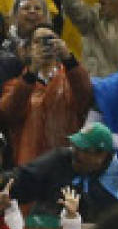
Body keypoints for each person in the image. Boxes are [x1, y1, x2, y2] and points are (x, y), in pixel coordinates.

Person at [0, 24, 91, 165]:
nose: (45, 45)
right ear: (28, 50)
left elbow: (85, 96)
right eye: (38, 41)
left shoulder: (71, 81)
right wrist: (31, 72)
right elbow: (9, 112)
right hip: (29, 166)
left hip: (66, 164)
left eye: (51, 40)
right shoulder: (15, 84)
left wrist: (69, 59)